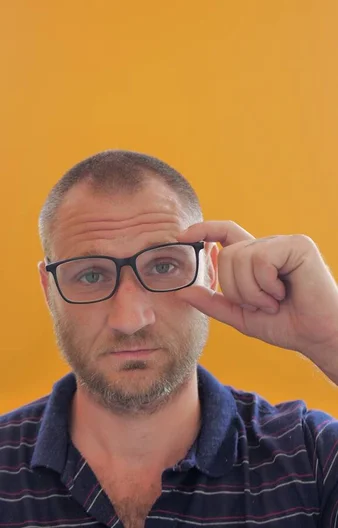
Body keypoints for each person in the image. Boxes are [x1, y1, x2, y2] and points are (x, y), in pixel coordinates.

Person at [1, 149, 338, 528]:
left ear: (209, 270)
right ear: (49, 289)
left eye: (163, 266)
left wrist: (330, 338)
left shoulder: (312, 458)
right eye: (91, 275)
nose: (129, 320)